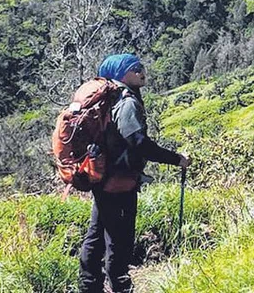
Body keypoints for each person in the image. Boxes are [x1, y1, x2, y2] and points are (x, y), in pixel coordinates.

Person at [79, 53, 191, 293]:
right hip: (120, 180)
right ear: (122, 73)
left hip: (102, 176)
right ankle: (120, 286)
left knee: (97, 235)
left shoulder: (110, 99)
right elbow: (139, 143)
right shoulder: (126, 102)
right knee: (119, 240)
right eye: (135, 68)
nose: (142, 71)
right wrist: (176, 159)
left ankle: (89, 286)